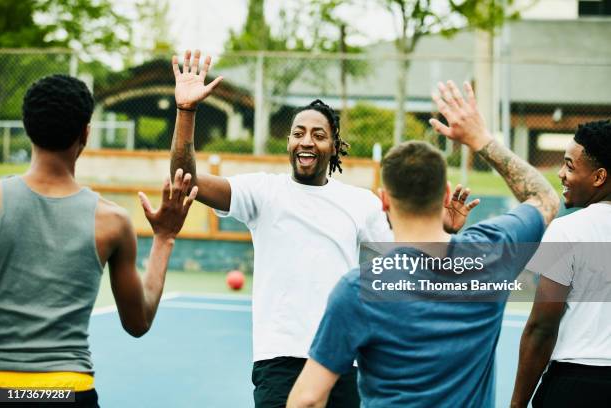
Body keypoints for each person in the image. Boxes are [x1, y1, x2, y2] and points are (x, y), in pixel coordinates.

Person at [169, 50, 479, 407]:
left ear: (334, 147)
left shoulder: (360, 203)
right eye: (298, 133)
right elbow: (185, 176)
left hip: (343, 359)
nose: (306, 141)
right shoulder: (262, 193)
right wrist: (186, 111)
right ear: (288, 142)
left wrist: (443, 228)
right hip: (279, 360)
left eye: (318, 135)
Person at [286, 80, 559, 408]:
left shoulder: (358, 288)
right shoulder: (489, 253)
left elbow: (307, 399)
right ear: (446, 194)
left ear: (384, 201)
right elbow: (544, 197)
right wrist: (480, 139)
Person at [0, 74, 197, 407]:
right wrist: (164, 237)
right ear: (86, 133)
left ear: (27, 127)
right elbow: (139, 321)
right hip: (69, 391)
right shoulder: (112, 222)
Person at [511, 120, 611, 408]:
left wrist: (517, 404)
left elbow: (541, 328)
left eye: (569, 165)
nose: (561, 174)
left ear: (599, 176)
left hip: (576, 384)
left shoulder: (567, 230)